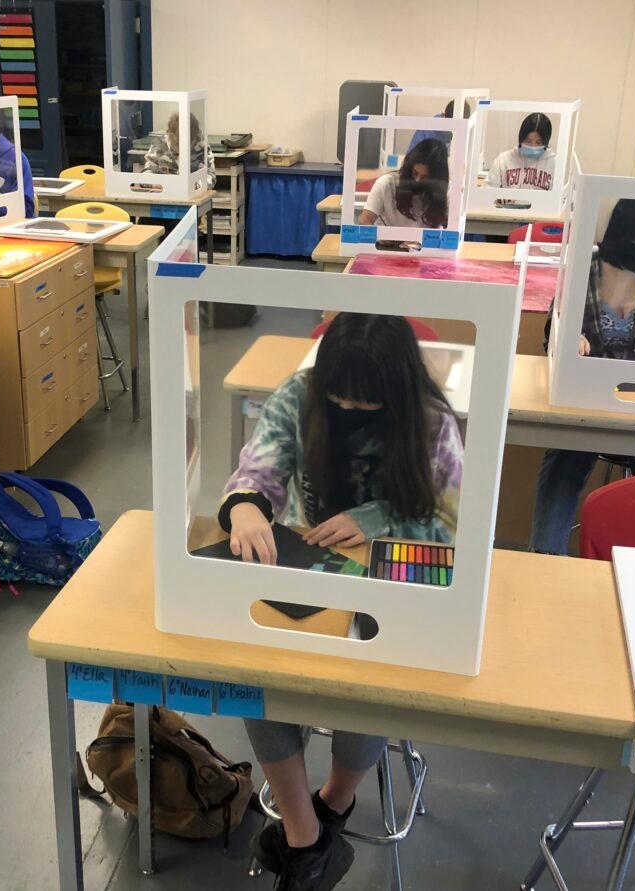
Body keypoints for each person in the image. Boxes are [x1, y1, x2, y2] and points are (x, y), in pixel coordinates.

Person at [220, 313, 463, 889]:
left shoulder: (431, 423)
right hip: (312, 578)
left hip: (395, 583)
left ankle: (330, 804)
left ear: (396, 390)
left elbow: (454, 524)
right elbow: (259, 467)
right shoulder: (299, 397)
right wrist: (247, 506)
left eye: (367, 404)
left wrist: (375, 519)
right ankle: (308, 838)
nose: (350, 411)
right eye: (340, 399)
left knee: (368, 684)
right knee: (252, 677)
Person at [530, 199, 635, 555]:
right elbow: (551, 334)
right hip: (587, 402)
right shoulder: (583, 269)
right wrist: (566, 341)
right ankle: (544, 563)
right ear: (621, 234)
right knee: (561, 471)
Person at [357, 137, 450, 229]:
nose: (417, 180)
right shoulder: (386, 183)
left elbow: (450, 229)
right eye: (414, 173)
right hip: (389, 242)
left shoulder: (445, 191)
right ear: (409, 168)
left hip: (425, 243)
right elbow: (365, 221)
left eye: (425, 178)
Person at [143, 112, 216, 189]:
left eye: (189, 144)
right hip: (162, 194)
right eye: (178, 144)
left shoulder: (202, 147)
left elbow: (210, 178)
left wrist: (193, 186)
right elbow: (146, 174)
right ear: (170, 136)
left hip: (191, 196)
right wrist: (154, 184)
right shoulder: (159, 145)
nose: (183, 149)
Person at [486, 112, 556, 191]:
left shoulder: (554, 164)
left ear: (546, 142)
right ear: (521, 138)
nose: (533, 147)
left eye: (538, 142)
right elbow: (489, 190)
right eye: (528, 141)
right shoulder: (503, 160)